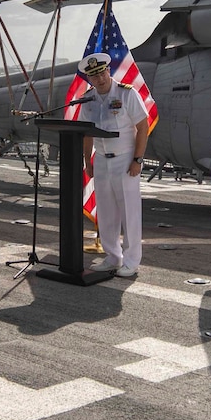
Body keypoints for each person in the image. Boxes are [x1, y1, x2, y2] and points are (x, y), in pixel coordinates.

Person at [78, 51, 152, 278]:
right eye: (94, 76)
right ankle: (113, 257)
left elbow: (143, 127)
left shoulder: (126, 94)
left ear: (108, 71)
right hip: (101, 161)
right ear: (89, 78)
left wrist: (137, 159)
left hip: (125, 160)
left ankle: (131, 260)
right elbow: (86, 132)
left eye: (102, 73)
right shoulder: (89, 99)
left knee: (129, 212)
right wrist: (87, 160)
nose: (99, 79)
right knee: (107, 212)